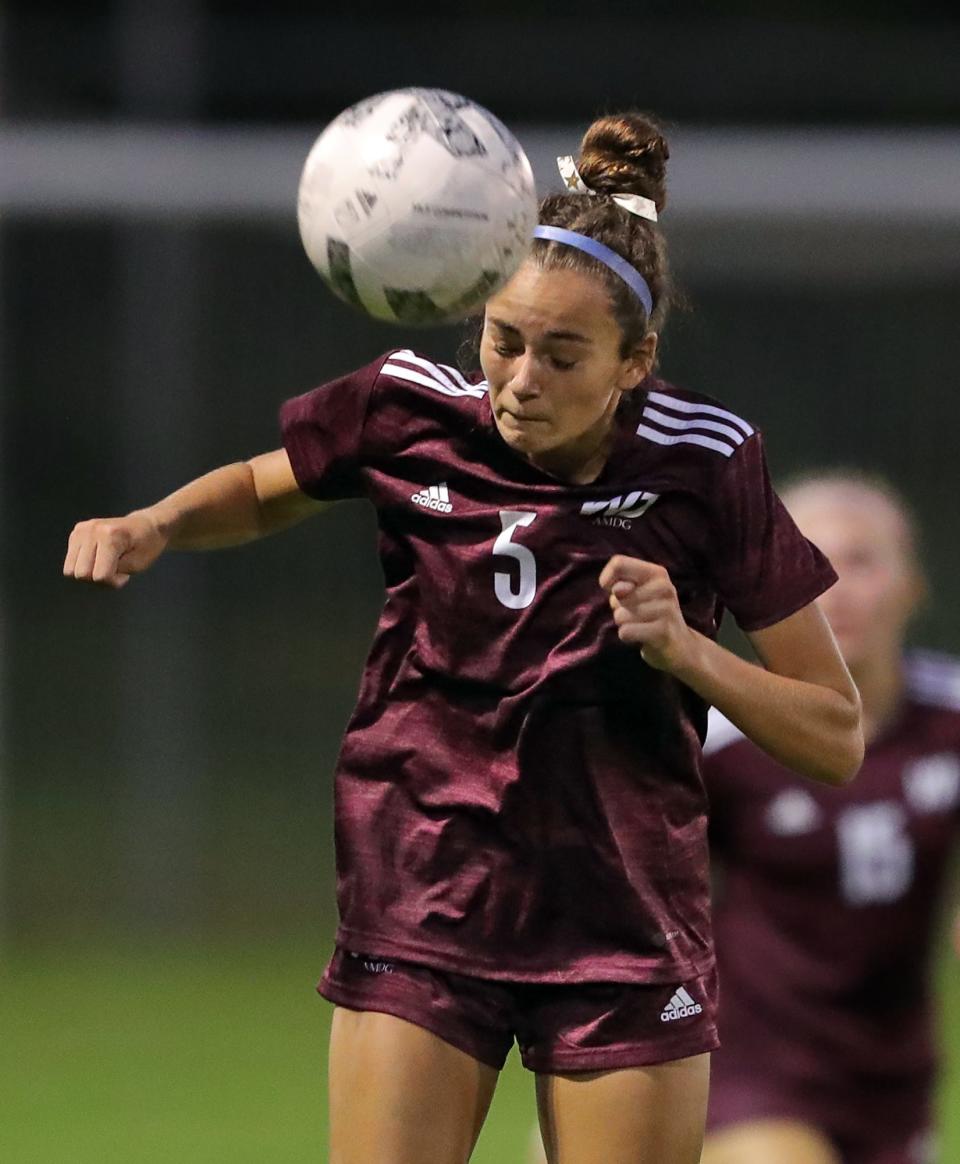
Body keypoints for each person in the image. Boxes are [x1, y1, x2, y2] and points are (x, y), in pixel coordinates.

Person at [63, 111, 862, 1164]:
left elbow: (835, 734)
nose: (521, 377)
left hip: (622, 917)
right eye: (504, 340)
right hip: (424, 885)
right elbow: (267, 487)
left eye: (563, 354)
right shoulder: (408, 410)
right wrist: (154, 523)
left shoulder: (707, 463)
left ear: (636, 362)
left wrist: (691, 653)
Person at [701, 473, 960, 1164]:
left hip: (893, 1080)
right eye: (808, 560)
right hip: (750, 1069)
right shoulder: (723, 743)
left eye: (863, 563)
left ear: (914, 585)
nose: (835, 589)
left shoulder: (950, 721)